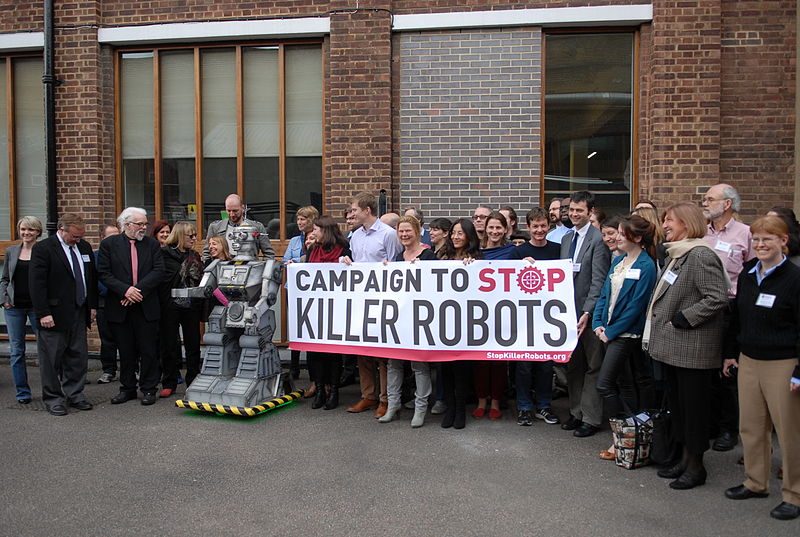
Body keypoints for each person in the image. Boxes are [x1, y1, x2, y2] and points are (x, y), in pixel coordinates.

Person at [644, 201, 728, 490]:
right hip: (674, 349)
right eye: (664, 220)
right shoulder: (678, 254)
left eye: (670, 220)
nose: (665, 225)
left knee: (694, 411)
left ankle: (696, 467)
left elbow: (716, 297)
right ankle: (683, 458)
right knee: (679, 409)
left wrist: (683, 319)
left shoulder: (700, 255)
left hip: (692, 350)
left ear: (687, 223)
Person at [722, 216, 800, 521]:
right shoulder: (748, 274)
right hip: (749, 359)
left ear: (783, 241)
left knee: (789, 432)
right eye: (756, 239)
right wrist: (730, 353)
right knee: (751, 427)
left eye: (768, 239)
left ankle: (794, 494)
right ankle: (755, 482)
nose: (760, 244)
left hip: (783, 363)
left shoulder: (794, 278)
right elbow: (738, 318)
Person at [592, 215, 657, 460]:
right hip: (608, 331)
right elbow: (604, 294)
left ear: (637, 238)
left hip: (626, 334)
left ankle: (621, 434)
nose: (616, 237)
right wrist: (598, 324)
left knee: (605, 384)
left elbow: (636, 306)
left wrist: (611, 332)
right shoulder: (619, 261)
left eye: (621, 233)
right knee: (624, 384)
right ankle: (628, 437)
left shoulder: (646, 266)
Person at [701, 184, 754, 453]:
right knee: (707, 369)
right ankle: (710, 423)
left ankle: (728, 428)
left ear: (727, 204)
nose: (705, 203)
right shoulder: (702, 233)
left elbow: (752, 274)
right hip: (703, 308)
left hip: (730, 307)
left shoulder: (745, 234)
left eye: (710, 199)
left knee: (727, 370)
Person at [29, 213, 98, 416]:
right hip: (54, 313)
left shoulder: (84, 247)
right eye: (75, 236)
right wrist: (43, 313)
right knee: (51, 359)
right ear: (61, 229)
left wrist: (92, 306)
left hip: (79, 310)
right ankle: (53, 398)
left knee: (77, 356)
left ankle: (75, 394)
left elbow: (90, 279)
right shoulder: (43, 249)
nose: (78, 240)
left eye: (81, 236)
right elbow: (37, 284)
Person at [342, 192, 401, 417]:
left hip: (383, 298)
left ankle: (385, 399)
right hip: (361, 298)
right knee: (362, 350)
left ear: (367, 210)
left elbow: (395, 264)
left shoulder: (388, 234)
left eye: (355, 210)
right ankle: (369, 395)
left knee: (383, 352)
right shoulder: (355, 236)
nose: (352, 214)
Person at [98, 207, 165, 406]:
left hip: (146, 305)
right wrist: (125, 290)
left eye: (145, 224)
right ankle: (127, 388)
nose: (144, 227)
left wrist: (136, 291)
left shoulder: (152, 245)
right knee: (126, 351)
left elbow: (158, 271)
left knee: (148, 350)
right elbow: (104, 273)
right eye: (139, 224)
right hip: (120, 306)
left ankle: (149, 388)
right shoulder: (109, 245)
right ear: (126, 224)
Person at [560, 191, 612, 438]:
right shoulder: (566, 239)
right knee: (573, 365)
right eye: (571, 209)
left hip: (588, 315)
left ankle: (590, 418)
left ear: (590, 212)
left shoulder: (598, 240)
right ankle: (576, 412)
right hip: (567, 314)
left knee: (593, 366)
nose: (574, 214)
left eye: (579, 210)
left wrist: (588, 312)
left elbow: (598, 280)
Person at [380, 215, 436, 427]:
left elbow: (436, 285)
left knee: (419, 364)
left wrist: (423, 270)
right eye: (401, 231)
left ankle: (420, 408)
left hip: (420, 318)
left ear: (417, 232)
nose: (404, 235)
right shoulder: (397, 257)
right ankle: (393, 405)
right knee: (393, 363)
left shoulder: (428, 256)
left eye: (408, 231)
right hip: (399, 318)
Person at [510, 207, 562, 426]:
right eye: (535, 226)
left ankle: (544, 406)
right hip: (524, 318)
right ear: (528, 227)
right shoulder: (518, 253)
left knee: (545, 366)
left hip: (549, 317)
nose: (539, 230)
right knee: (523, 366)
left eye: (543, 226)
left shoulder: (559, 250)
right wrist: (520, 267)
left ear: (548, 226)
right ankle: (523, 407)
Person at [437, 218, 481, 429]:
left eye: (460, 233)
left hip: (465, 322)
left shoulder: (477, 259)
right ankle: (450, 408)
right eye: (453, 233)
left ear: (469, 236)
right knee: (444, 368)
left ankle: (461, 410)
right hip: (443, 320)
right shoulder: (442, 256)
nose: (455, 237)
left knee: (461, 368)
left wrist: (472, 268)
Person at [304, 216, 351, 411]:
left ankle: (333, 391)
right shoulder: (312, 250)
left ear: (326, 230)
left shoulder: (344, 250)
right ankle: (320, 390)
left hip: (335, 308)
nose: (313, 232)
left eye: (316, 229)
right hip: (315, 307)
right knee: (315, 351)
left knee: (332, 352)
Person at [473, 211, 512, 419]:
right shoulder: (476, 253)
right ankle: (481, 401)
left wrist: (528, 262)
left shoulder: (513, 252)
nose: (494, 231)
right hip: (479, 313)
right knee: (480, 361)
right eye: (491, 227)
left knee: (498, 361)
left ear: (505, 230)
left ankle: (496, 402)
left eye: (498, 227)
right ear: (486, 229)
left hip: (502, 314)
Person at [158, 221, 204, 397]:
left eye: (195, 235)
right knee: (169, 344)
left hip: (190, 305)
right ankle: (169, 381)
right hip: (169, 305)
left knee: (193, 344)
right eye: (190, 235)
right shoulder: (163, 254)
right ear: (179, 236)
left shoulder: (195, 255)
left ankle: (193, 380)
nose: (194, 239)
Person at [0, 216, 43, 403]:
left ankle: (51, 390)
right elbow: (5, 279)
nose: (26, 233)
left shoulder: (44, 251)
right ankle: (23, 393)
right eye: (23, 229)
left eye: (31, 229)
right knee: (17, 351)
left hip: (37, 308)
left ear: (38, 232)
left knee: (46, 349)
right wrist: (4, 299)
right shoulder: (11, 251)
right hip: (14, 308)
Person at [284, 206, 319, 380]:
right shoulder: (294, 241)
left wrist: (297, 261)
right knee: (295, 326)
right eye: (298, 219)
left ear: (311, 220)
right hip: (293, 288)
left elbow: (315, 260)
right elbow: (285, 260)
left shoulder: (318, 238)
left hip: (313, 289)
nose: (299, 222)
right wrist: (297, 262)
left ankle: (314, 369)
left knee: (312, 326)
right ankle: (294, 366)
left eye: (303, 219)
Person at [202, 194, 275, 262]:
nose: (232, 214)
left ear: (243, 208)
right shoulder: (215, 227)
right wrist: (211, 267)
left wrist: (262, 268)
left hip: (250, 267)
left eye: (235, 211)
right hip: (222, 268)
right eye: (228, 211)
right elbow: (206, 253)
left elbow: (269, 253)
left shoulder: (257, 227)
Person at [95, 224, 120, 384]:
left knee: (127, 339)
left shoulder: (124, 254)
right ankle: (109, 370)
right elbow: (95, 280)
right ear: (102, 238)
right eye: (112, 237)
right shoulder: (95, 257)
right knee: (107, 338)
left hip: (123, 300)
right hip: (104, 302)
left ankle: (132, 369)